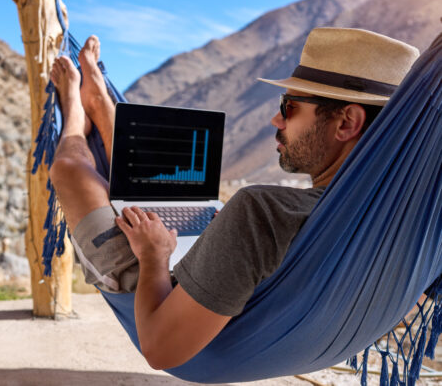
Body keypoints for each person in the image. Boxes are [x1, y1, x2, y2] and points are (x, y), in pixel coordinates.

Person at [48, 28, 419, 370]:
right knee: (141, 185)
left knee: (67, 168)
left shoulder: (261, 213)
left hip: (177, 313)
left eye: (289, 107)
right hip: (252, 304)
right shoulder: (414, 219)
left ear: (346, 123)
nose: (276, 120)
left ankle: (76, 111)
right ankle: (100, 100)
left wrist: (153, 254)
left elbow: (161, 349)